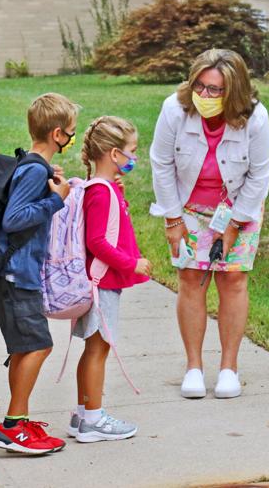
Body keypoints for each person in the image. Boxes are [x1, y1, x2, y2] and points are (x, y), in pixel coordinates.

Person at [150, 48, 269, 400]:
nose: (204, 96)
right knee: (191, 277)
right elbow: (161, 164)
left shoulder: (256, 118)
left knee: (232, 278)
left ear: (233, 92)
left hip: (239, 205)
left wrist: (233, 225)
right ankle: (193, 367)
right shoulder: (174, 110)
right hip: (188, 203)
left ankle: (229, 369)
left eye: (215, 90)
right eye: (200, 86)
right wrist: (173, 220)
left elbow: (260, 173)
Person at [0, 93, 76, 455]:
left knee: (24, 348)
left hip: (14, 275)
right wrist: (56, 200)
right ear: (57, 134)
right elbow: (13, 219)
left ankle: (19, 421)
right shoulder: (35, 169)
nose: (73, 137)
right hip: (15, 275)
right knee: (39, 345)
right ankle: (11, 426)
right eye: (71, 131)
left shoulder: (34, 166)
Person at [66, 116, 150, 443]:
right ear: (114, 154)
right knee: (98, 350)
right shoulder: (101, 192)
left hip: (100, 284)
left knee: (93, 349)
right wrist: (132, 264)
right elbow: (97, 242)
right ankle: (93, 419)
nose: (134, 158)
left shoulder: (105, 188)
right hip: (103, 284)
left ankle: (82, 414)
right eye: (132, 151)